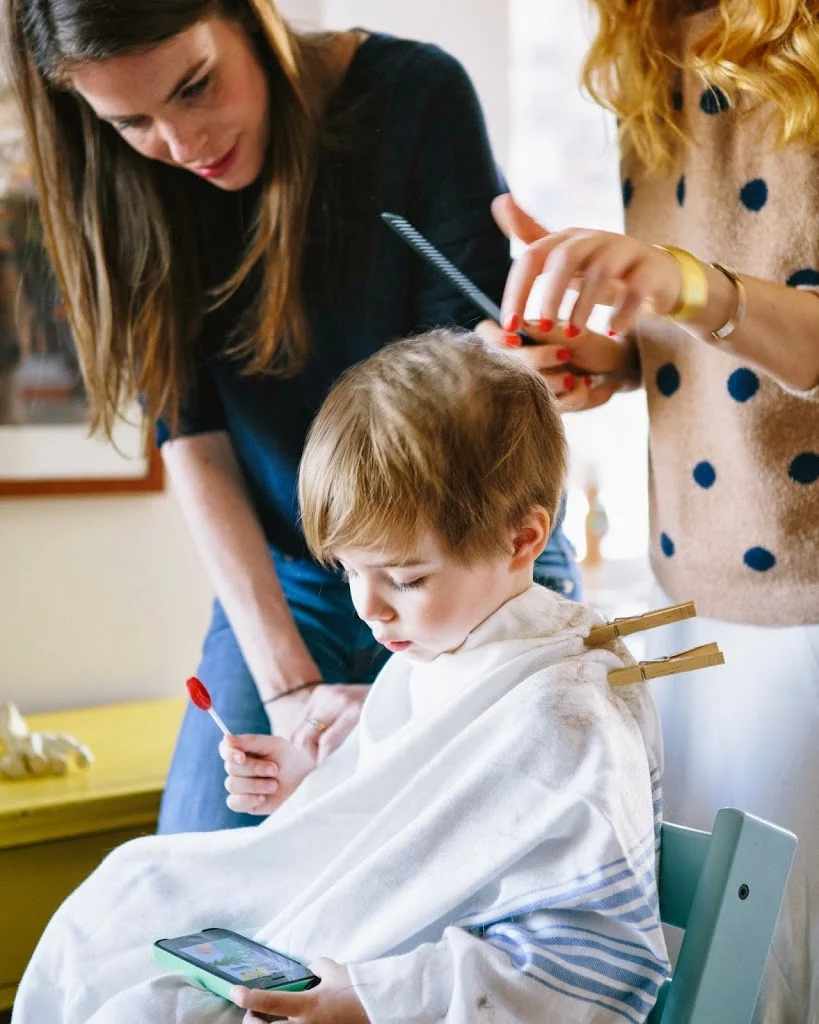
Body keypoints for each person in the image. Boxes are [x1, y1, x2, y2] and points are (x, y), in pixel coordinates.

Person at [1, 0, 582, 835]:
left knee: (458, 876)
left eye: (196, 87)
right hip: (286, 576)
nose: (182, 143)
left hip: (465, 550)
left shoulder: (414, 95)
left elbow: (481, 366)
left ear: (245, 15)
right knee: (204, 883)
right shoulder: (134, 188)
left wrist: (529, 356)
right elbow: (191, 443)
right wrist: (289, 689)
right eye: (133, 122)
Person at [12, 331, 667, 1024]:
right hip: (341, 958)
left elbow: (585, 968)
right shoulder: (438, 652)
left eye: (406, 577)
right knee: (125, 898)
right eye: (350, 572)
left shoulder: (563, 717)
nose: (369, 608)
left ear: (522, 538)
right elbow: (399, 820)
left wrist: (367, 999)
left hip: (389, 992)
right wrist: (311, 787)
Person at [489, 3, 819, 1021]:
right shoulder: (648, 46)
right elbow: (702, 317)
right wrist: (617, 359)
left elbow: (730, 295)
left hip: (806, 602)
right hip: (691, 584)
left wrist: (692, 287)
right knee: (716, 962)